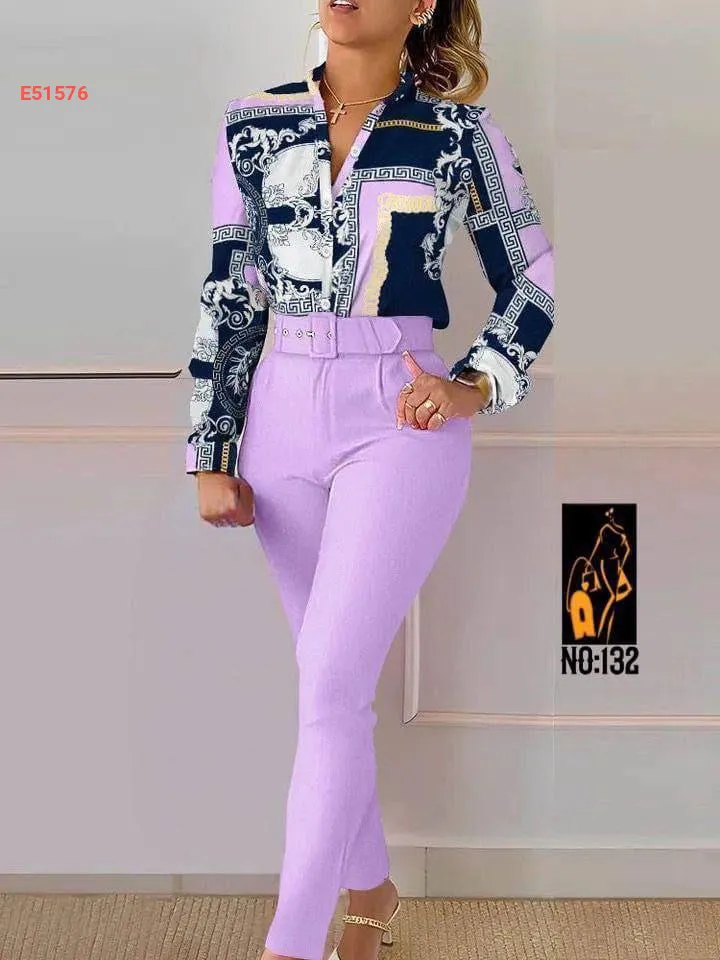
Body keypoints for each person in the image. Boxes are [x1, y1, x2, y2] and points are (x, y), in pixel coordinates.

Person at [184, 1, 555, 958]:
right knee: (330, 689)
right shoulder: (251, 125)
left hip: (400, 415)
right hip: (278, 414)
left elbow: (532, 274)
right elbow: (229, 290)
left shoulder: (461, 135)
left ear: (423, 3)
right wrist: (212, 450)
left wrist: (476, 382)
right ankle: (373, 888)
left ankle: (289, 944)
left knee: (331, 686)